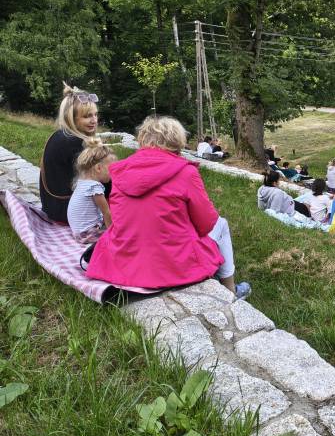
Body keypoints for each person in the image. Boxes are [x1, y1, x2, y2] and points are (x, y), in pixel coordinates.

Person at [85, 116, 250, 298]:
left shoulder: (121, 172)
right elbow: (206, 223)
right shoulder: (186, 172)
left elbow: (119, 218)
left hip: (126, 262)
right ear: (176, 140)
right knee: (222, 224)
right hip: (173, 264)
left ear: (143, 139)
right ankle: (231, 290)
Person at [39, 84, 106, 224]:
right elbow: (100, 180)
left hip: (51, 207)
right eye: (87, 116)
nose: (94, 120)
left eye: (95, 114)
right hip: (69, 213)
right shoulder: (75, 143)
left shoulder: (58, 135)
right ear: (71, 118)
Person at [67, 138, 116, 245]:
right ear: (98, 168)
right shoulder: (95, 187)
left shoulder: (82, 182)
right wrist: (112, 234)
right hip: (88, 234)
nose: (113, 174)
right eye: (111, 169)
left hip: (79, 232)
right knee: (124, 231)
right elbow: (106, 212)